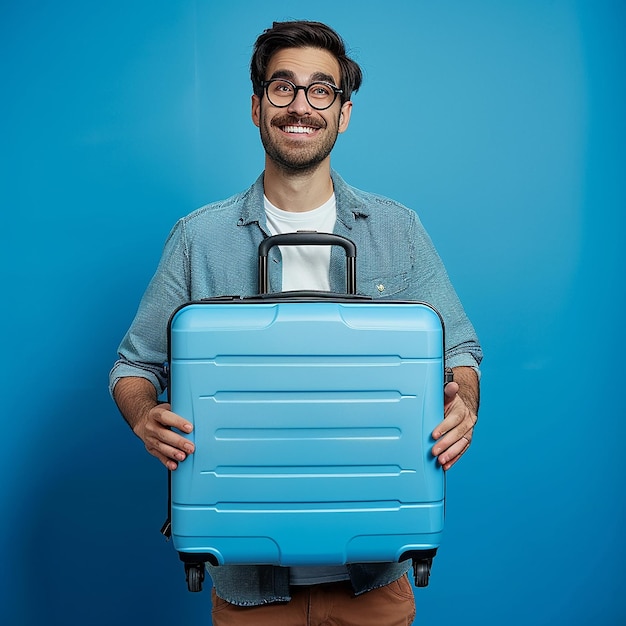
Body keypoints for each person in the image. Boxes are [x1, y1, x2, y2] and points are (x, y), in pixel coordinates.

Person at [110, 20, 482, 626]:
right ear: (257, 107)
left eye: (321, 90)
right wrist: (144, 416)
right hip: (247, 590)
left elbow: (460, 349)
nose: (300, 106)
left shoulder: (398, 232)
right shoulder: (198, 240)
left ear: (344, 112)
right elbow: (133, 366)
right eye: (282, 88)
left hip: (374, 584)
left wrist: (462, 404)